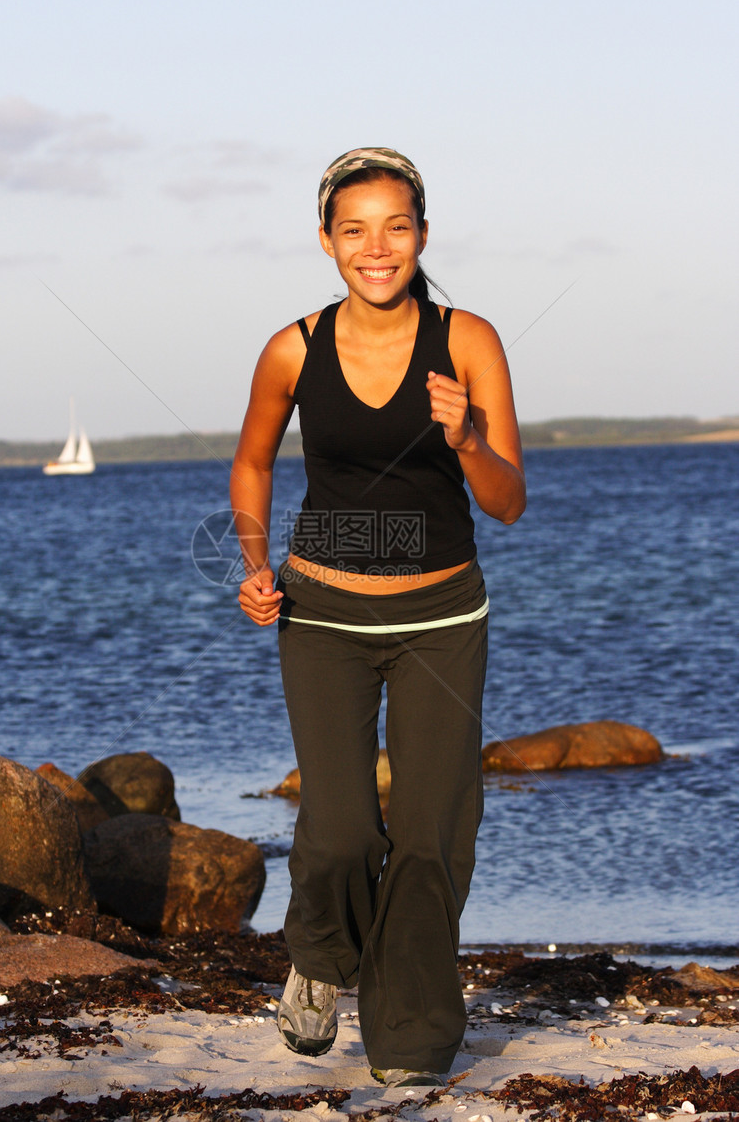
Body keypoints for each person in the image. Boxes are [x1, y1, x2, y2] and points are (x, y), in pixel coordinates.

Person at [230, 148, 526, 1088]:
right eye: (354, 228)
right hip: (321, 616)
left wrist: (468, 436)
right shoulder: (292, 348)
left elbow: (509, 499)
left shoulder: (470, 340)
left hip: (444, 615)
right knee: (343, 829)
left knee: (436, 829)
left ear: (423, 235)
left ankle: (413, 1038)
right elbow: (250, 464)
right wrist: (253, 565)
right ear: (327, 241)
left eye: (396, 225)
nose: (377, 246)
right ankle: (318, 954)